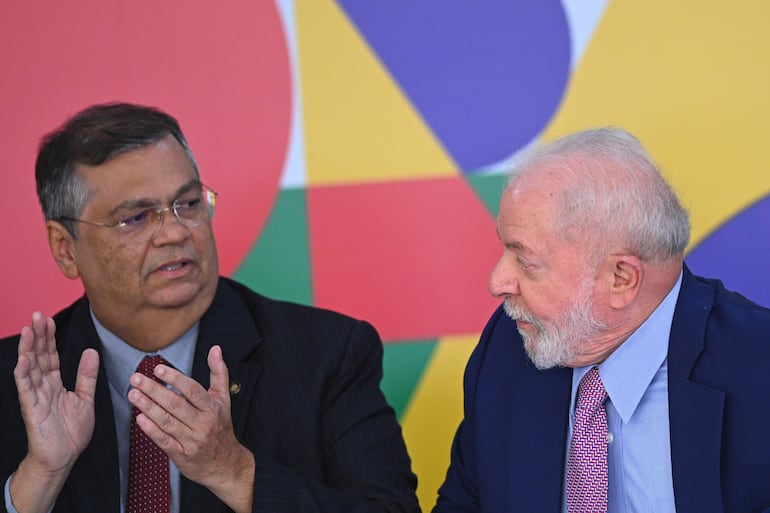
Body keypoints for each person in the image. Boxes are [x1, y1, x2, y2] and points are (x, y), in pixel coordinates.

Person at [0, 102, 420, 513]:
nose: (174, 233)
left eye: (188, 204)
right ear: (65, 249)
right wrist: (39, 480)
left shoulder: (327, 355)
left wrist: (235, 472)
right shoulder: (13, 381)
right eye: (137, 218)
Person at [432, 127, 770, 513]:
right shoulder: (505, 349)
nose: (497, 282)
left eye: (526, 261)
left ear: (621, 279)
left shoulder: (760, 370)